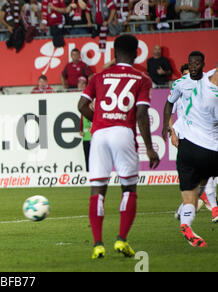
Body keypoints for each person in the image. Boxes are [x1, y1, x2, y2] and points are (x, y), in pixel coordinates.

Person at [78, 34, 160, 259]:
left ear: (113, 54)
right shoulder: (142, 79)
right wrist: (149, 148)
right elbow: (142, 115)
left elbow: (81, 105)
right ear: (136, 53)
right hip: (123, 132)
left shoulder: (98, 76)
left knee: (98, 190)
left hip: (99, 135)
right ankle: (121, 239)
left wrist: (99, 120)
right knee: (129, 188)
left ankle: (97, 244)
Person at [162, 52, 218, 247]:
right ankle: (210, 208)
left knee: (196, 186)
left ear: (202, 64)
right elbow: (169, 104)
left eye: (196, 63)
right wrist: (169, 129)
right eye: (190, 64)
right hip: (193, 140)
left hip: (195, 143)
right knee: (202, 180)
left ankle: (185, 217)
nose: (193, 66)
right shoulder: (182, 84)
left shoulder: (206, 82)